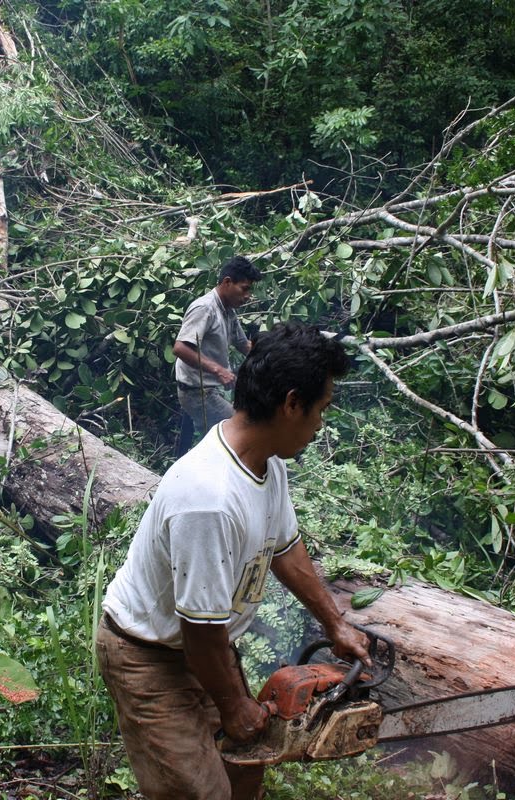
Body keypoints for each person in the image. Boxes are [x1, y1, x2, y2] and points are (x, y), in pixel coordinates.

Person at [97, 322, 371, 800]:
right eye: (321, 409)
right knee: (201, 793)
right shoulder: (209, 498)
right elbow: (199, 629)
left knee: (246, 770)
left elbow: (284, 546)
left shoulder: (267, 461)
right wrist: (233, 704)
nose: (321, 424)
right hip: (150, 656)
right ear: (291, 403)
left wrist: (335, 623)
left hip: (205, 649)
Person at [173, 255, 262, 454]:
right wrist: (219, 370)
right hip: (196, 392)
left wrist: (273, 360)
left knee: (213, 441)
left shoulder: (228, 311)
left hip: (209, 389)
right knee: (240, 431)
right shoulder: (205, 308)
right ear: (227, 282)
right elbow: (180, 348)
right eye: (245, 288)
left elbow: (243, 344)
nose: (248, 296)